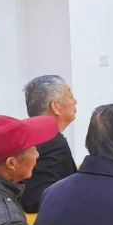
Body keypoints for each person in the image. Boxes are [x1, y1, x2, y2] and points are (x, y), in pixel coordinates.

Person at [20, 75, 78, 213]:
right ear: (55, 107)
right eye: (70, 96)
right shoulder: (52, 142)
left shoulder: (24, 134)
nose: (75, 101)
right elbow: (38, 198)